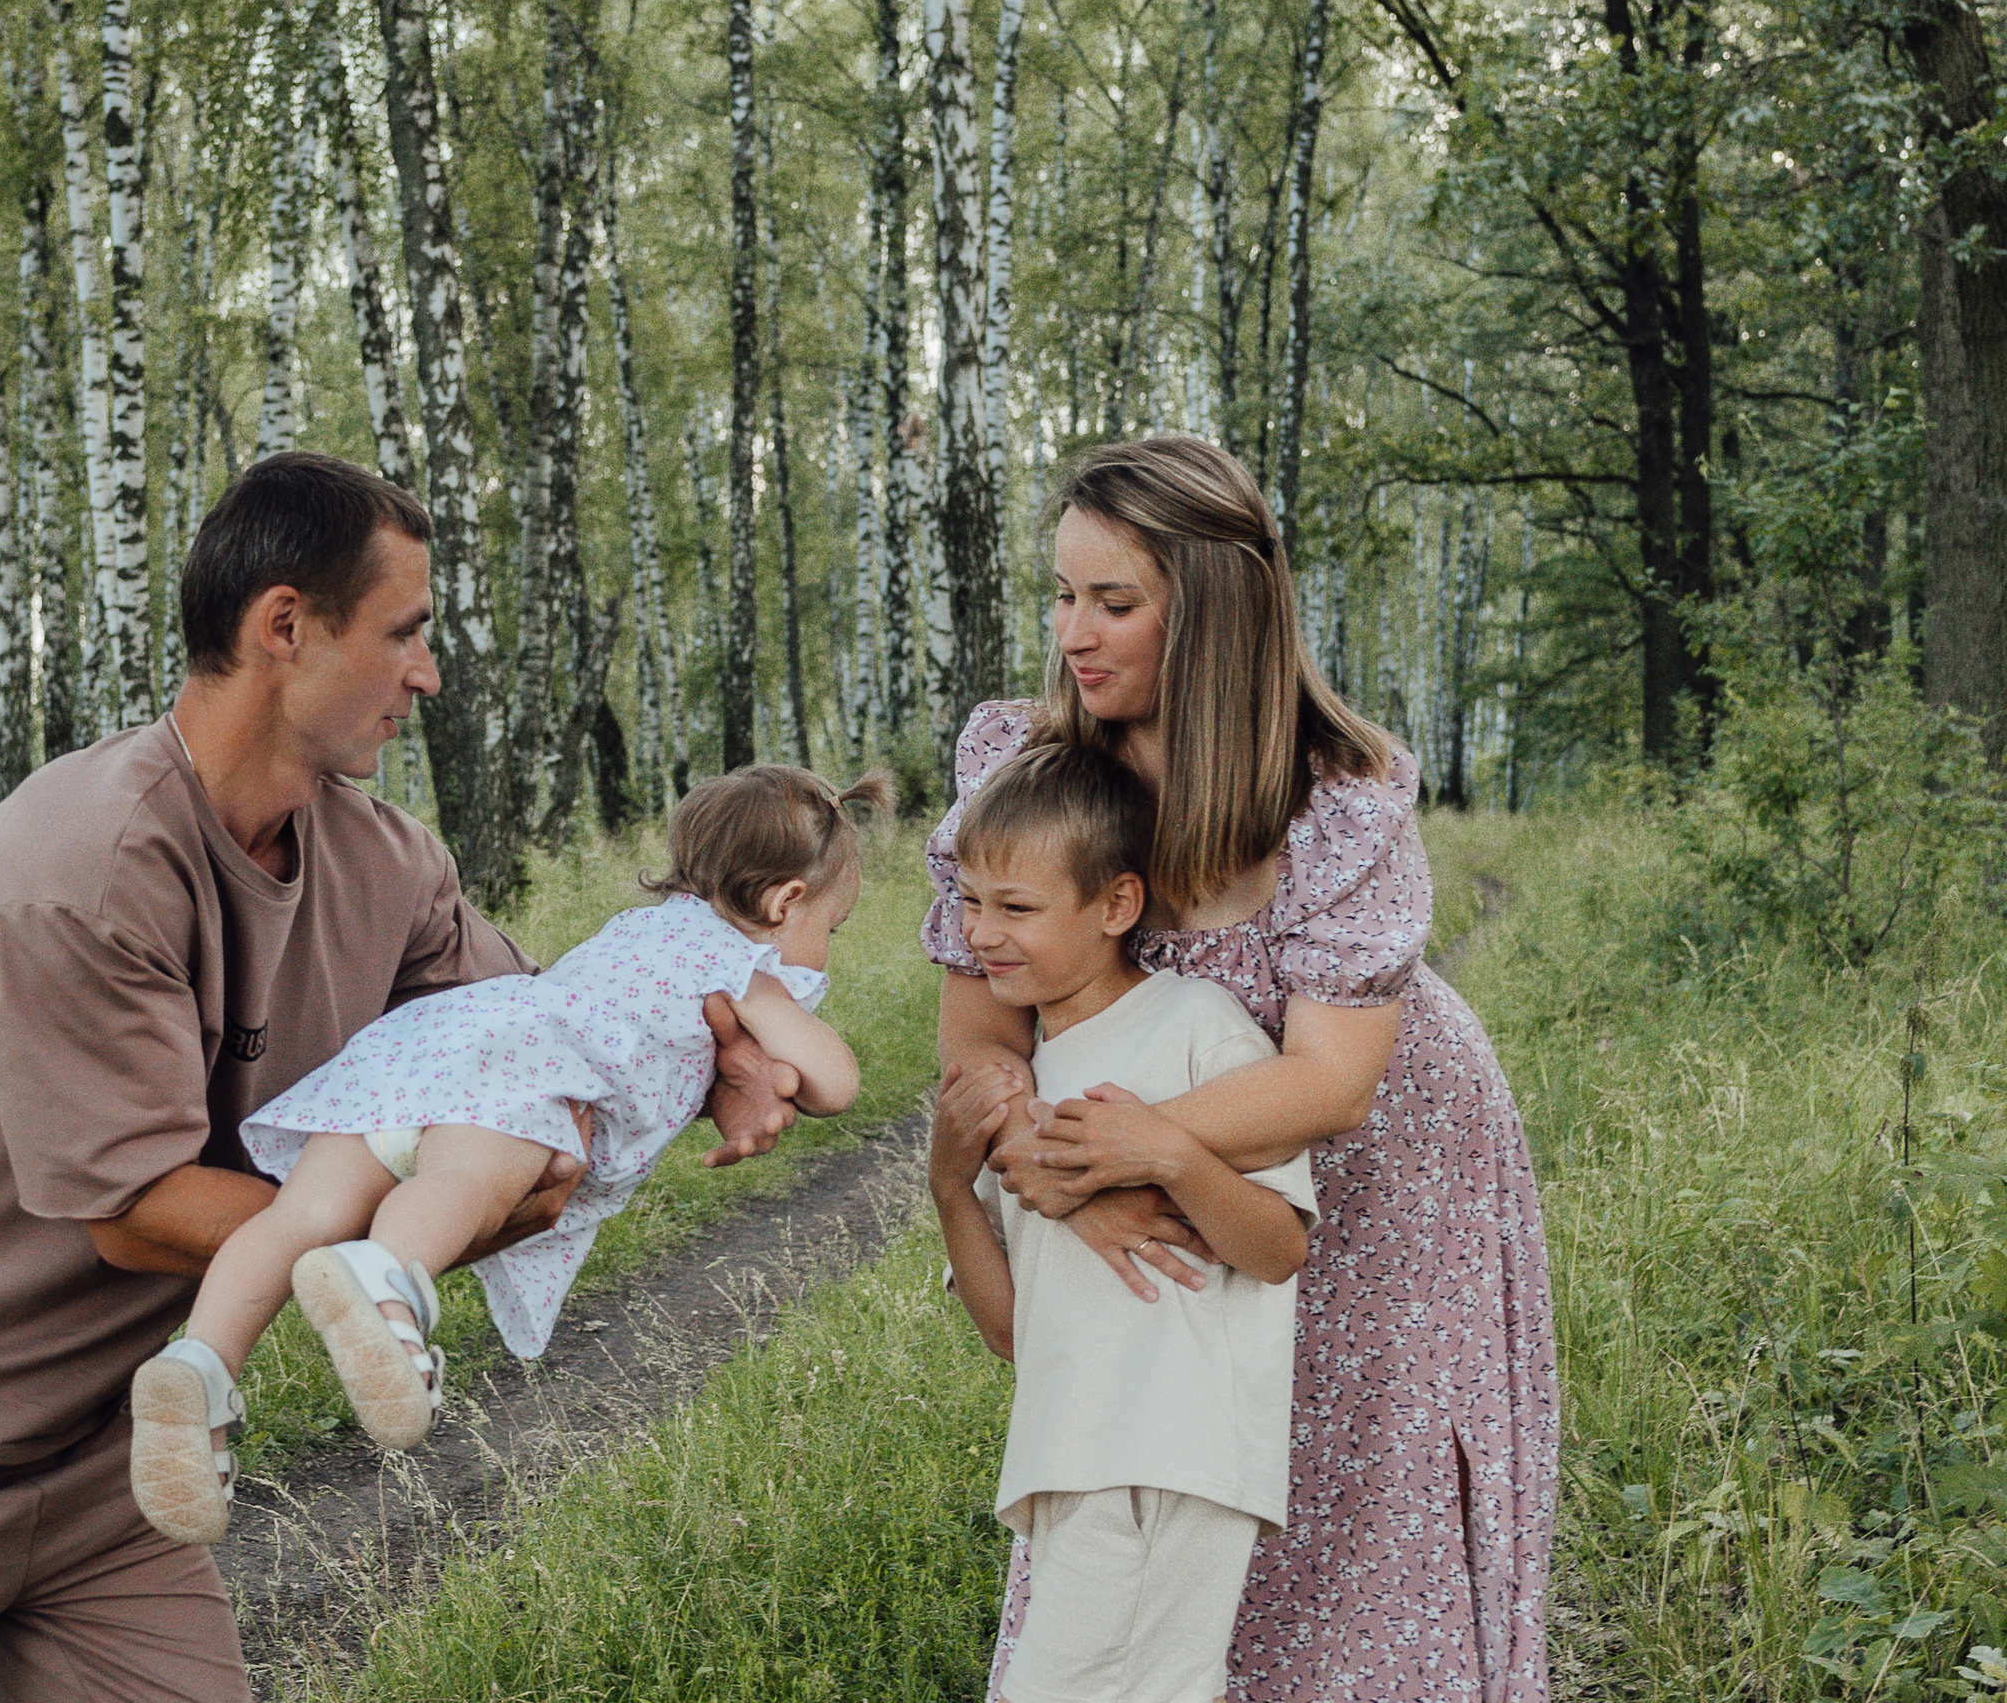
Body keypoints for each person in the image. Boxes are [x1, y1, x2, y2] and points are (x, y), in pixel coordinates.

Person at [0, 451, 798, 1703]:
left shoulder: (390, 864)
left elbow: (537, 1033)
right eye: (406, 633)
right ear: (283, 627)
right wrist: (414, 1237)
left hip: (114, 1440)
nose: (427, 672)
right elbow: (137, 1214)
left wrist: (727, 1054)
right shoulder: (77, 862)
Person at [926, 436, 1556, 1702]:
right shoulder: (1025, 770)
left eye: (1115, 602)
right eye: (1061, 596)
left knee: (1358, 1496)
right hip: (1136, 1148)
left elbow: (1328, 1083)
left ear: (1212, 608)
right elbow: (982, 1051)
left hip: (1380, 1182)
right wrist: (1066, 1179)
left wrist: (1123, 1150)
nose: (1073, 636)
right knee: (1146, 1472)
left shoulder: (1335, 798)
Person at [131, 764, 880, 1542]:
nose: (827, 948)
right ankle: (384, 1282)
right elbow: (836, 1083)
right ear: (785, 901)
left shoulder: (641, 928)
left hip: (426, 1046)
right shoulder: (742, 968)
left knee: (300, 1217)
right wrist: (780, 1018)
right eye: (834, 927)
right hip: (525, 1078)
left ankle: (198, 1369)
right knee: (463, 1180)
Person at [931, 740, 1313, 1703]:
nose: (982, 933)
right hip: (1072, 1448)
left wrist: (1172, 1156)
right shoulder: (1017, 1094)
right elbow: (1011, 1333)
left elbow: (1279, 1247)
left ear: (1116, 906)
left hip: (1170, 1447)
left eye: (1016, 907)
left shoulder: (1197, 1028)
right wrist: (948, 1186)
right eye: (970, 902)